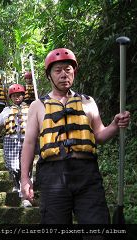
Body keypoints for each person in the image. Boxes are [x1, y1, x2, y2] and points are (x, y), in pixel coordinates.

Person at [20, 48, 131, 223]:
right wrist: (25, 179)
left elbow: (99, 135)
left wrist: (115, 126)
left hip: (87, 174)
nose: (64, 74)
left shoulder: (88, 102)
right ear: (49, 75)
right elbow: (28, 144)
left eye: (68, 69)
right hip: (52, 174)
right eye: (58, 70)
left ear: (74, 72)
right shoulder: (37, 106)